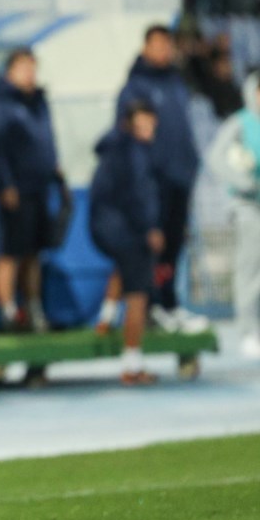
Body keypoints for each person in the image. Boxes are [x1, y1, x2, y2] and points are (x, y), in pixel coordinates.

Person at [117, 24, 207, 334]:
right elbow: (127, 136)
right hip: (153, 181)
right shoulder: (136, 87)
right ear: (146, 47)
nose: (164, 50)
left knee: (173, 246)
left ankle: (168, 301)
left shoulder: (176, 82)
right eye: (158, 44)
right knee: (153, 245)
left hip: (180, 178)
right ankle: (153, 304)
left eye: (168, 45)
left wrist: (190, 164)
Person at [0, 48, 63, 333]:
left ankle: (33, 306)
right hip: (16, 189)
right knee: (11, 250)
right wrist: (6, 183)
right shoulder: (1, 103)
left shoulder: (37, 102)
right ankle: (7, 310)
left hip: (39, 187)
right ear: (10, 71)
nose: (30, 74)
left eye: (33, 67)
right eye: (24, 67)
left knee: (33, 252)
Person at [89, 101, 163, 386]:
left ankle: (105, 318)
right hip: (126, 230)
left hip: (107, 226)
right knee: (138, 294)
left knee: (125, 269)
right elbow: (136, 196)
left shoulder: (115, 148)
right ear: (130, 122)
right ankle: (131, 365)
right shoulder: (133, 152)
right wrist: (149, 228)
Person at [204, 71, 260, 359]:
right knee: (250, 271)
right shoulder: (240, 123)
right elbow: (216, 158)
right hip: (249, 207)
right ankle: (249, 330)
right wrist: (245, 181)